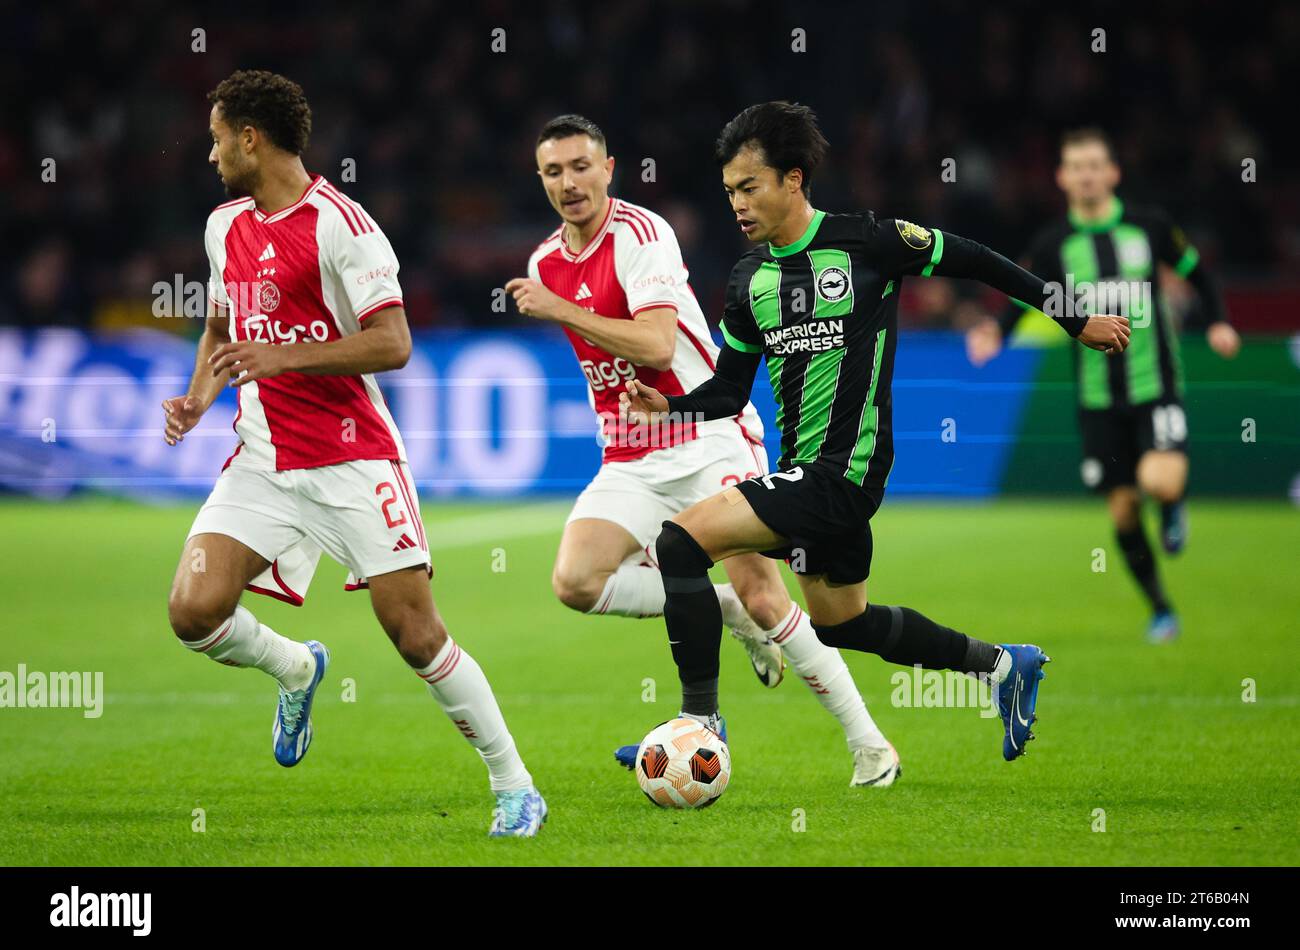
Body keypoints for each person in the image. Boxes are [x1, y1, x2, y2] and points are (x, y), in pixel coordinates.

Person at [622, 102, 1131, 762]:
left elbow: (978, 260)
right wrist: (672, 409)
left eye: (750, 187)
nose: (738, 205)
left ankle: (699, 725)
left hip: (846, 471)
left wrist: (1072, 317)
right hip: (810, 475)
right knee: (842, 623)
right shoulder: (749, 282)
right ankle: (1004, 667)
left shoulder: (869, 242)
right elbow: (728, 389)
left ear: (793, 179)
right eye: (729, 193)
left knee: (680, 543)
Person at [164, 70, 545, 836]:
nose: (209, 156)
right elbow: (218, 327)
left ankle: (515, 786)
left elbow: (393, 342)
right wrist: (200, 396)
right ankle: (296, 668)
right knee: (193, 611)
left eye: (215, 139)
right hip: (263, 459)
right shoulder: (223, 227)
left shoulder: (345, 225)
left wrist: (281, 359)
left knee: (415, 633)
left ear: (250, 138)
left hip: (352, 460)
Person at [507, 115, 899, 787]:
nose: (569, 183)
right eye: (553, 171)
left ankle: (870, 746)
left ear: (608, 169)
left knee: (766, 593)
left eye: (580, 167)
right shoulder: (547, 261)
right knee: (575, 582)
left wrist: (559, 309)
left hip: (704, 435)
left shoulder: (641, 235)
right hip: (631, 454)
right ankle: (721, 611)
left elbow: (658, 347)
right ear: (540, 179)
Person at [966, 128, 1240, 643]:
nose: (1087, 175)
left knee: (1159, 482)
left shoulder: (1150, 227)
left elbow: (1199, 273)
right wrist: (995, 335)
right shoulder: (1053, 246)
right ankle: (1160, 607)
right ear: (1062, 177)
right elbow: (1025, 295)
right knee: (1122, 509)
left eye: (1096, 165)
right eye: (1077, 166)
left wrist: (1219, 321)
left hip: (1154, 385)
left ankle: (1174, 504)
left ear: (1113, 173)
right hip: (1097, 399)